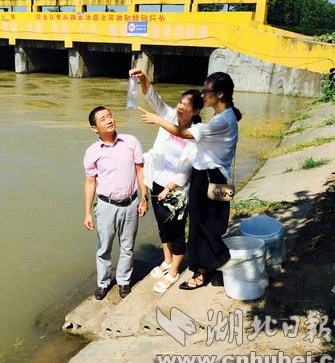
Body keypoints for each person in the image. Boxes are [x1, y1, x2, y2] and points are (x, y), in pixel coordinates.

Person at [139, 72, 241, 290]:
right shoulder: (225, 116)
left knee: (205, 225)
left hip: (209, 178)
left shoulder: (219, 121)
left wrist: (157, 120)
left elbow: (185, 136)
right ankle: (206, 265)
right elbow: (153, 97)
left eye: (206, 92)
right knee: (210, 222)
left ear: (220, 94)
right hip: (217, 177)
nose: (204, 95)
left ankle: (204, 270)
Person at [129, 68, 204, 294]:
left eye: (186, 105)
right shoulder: (169, 116)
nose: (180, 106)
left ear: (196, 110)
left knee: (177, 229)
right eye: (180, 101)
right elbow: (153, 97)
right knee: (162, 226)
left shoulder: (197, 133)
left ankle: (174, 271)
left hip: (178, 189)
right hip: (157, 180)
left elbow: (188, 169)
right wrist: (142, 79)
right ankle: (166, 259)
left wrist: (169, 188)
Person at [83, 106, 148, 300]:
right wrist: (87, 212)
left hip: (130, 204)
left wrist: (144, 198)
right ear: (95, 128)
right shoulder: (92, 152)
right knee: (104, 248)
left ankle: (124, 282)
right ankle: (103, 283)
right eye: (102, 119)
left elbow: (140, 171)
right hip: (105, 206)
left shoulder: (130, 142)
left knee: (127, 246)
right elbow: (90, 182)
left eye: (109, 116)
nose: (109, 120)